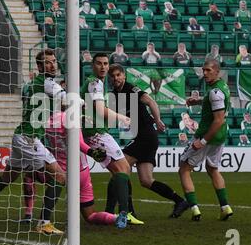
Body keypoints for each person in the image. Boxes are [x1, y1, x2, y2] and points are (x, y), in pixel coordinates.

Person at [0, 49, 67, 235]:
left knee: (7, 179)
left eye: (54, 61)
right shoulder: (49, 83)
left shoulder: (31, 84)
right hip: (29, 138)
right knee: (59, 177)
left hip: (21, 135)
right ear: (39, 66)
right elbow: (66, 101)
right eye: (48, 62)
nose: (52, 65)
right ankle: (44, 223)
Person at [108, 64, 190, 219]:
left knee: (121, 167)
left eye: (118, 75)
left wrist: (158, 120)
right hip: (141, 137)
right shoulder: (113, 95)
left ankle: (128, 211)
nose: (116, 78)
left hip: (145, 136)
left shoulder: (131, 89)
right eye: (112, 76)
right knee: (146, 180)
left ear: (124, 76)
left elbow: (151, 102)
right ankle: (180, 201)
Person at [21, 108, 118, 226]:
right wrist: (92, 153)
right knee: (90, 216)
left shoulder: (45, 120)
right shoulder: (70, 118)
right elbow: (79, 143)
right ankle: (115, 218)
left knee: (29, 176)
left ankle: (39, 218)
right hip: (81, 172)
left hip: (58, 170)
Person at [80, 53, 133, 229]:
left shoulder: (94, 83)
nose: (103, 67)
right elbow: (101, 111)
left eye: (105, 64)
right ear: (92, 65)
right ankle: (123, 215)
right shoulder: (96, 83)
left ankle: (113, 212)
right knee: (122, 169)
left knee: (122, 169)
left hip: (96, 132)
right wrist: (122, 118)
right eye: (99, 63)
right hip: (96, 134)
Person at [179, 60, 233, 221]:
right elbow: (216, 102)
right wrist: (198, 101)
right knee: (213, 169)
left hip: (207, 135)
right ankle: (225, 207)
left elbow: (218, 120)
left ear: (217, 72)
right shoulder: (222, 87)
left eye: (208, 70)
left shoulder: (215, 91)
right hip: (220, 137)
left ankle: (195, 209)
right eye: (203, 70)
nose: (205, 73)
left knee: (184, 169)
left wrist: (201, 142)